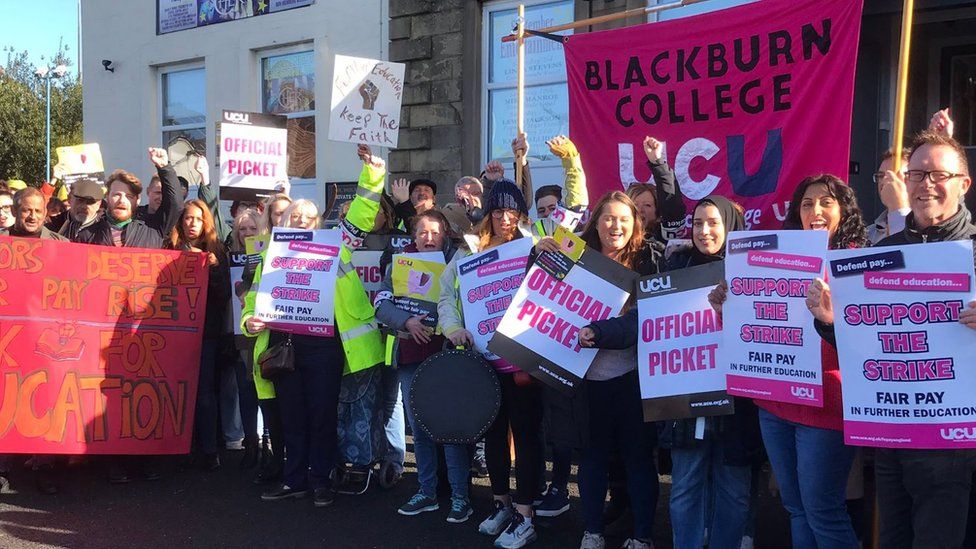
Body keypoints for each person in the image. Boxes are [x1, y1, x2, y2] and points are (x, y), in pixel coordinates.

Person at [811, 131, 976, 548]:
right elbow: (867, 342)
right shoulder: (886, 251)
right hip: (891, 434)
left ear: (963, 183)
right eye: (917, 173)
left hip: (956, 443)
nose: (926, 184)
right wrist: (833, 321)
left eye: (939, 174)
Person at [711, 174, 868, 549]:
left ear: (843, 210)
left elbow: (872, 344)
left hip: (825, 407)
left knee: (823, 512)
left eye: (826, 202)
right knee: (795, 508)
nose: (816, 211)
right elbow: (754, 324)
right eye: (807, 203)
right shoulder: (773, 260)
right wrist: (725, 309)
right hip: (775, 405)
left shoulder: (858, 263)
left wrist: (831, 319)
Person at [242, 150, 385, 508]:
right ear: (284, 221)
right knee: (292, 418)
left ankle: (321, 480)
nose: (303, 220)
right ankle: (295, 481)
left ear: (319, 222)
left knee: (322, 416)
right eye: (296, 216)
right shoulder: (270, 256)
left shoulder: (336, 245)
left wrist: (373, 175)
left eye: (309, 216)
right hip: (285, 345)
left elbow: (362, 214)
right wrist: (250, 320)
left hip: (324, 347)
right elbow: (253, 302)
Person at [545, 191, 658, 549]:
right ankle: (592, 531)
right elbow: (542, 293)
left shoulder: (647, 263)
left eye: (625, 219)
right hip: (585, 382)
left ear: (635, 224)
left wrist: (601, 332)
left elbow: (646, 321)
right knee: (591, 461)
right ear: (596, 222)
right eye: (609, 218)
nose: (616, 225)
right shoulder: (576, 257)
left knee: (638, 461)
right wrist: (539, 254)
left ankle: (642, 537)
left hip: (632, 382)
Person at [438, 179, 544, 548]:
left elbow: (573, 214)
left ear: (520, 214)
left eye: (511, 211)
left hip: (523, 362)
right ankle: (501, 502)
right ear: (487, 215)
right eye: (497, 212)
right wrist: (452, 328)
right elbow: (446, 296)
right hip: (484, 362)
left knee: (528, 439)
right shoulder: (469, 254)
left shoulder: (532, 247)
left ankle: (526, 514)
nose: (504, 218)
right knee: (494, 436)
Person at [374, 209, 474, 522]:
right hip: (410, 357)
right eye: (422, 232)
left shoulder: (458, 261)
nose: (428, 237)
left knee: (450, 427)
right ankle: (427, 491)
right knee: (420, 428)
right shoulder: (399, 261)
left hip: (446, 354)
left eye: (434, 231)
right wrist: (406, 320)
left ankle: (460, 496)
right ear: (413, 235)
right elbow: (380, 304)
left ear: (444, 234)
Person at [1, 187, 67, 494]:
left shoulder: (63, 246)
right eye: (26, 210)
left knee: (45, 398)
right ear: (15, 211)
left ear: (46, 213)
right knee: (5, 396)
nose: (32, 216)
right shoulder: (2, 243)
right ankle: (3, 466)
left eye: (38, 211)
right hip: (8, 334)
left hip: (45, 336)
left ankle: (45, 465)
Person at [165, 199, 230, 471]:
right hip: (175, 334)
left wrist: (214, 269)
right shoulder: (168, 251)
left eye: (198, 219)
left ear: (207, 223)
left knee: (205, 393)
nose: (192, 223)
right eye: (188, 218)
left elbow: (224, 295)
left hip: (206, 335)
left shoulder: (215, 253)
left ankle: (208, 449)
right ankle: (178, 447)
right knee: (176, 391)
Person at [75, 148, 181, 248]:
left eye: (129, 196)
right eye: (116, 195)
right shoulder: (86, 235)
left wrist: (164, 167)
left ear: (137, 200)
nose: (122, 201)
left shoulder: (153, 228)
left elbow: (175, 203)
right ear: (107, 197)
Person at [626, 136, 688, 243]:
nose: (640, 210)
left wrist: (657, 162)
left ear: (657, 214)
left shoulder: (663, 242)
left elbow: (672, 205)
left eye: (647, 205)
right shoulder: (612, 238)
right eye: (634, 204)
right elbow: (587, 248)